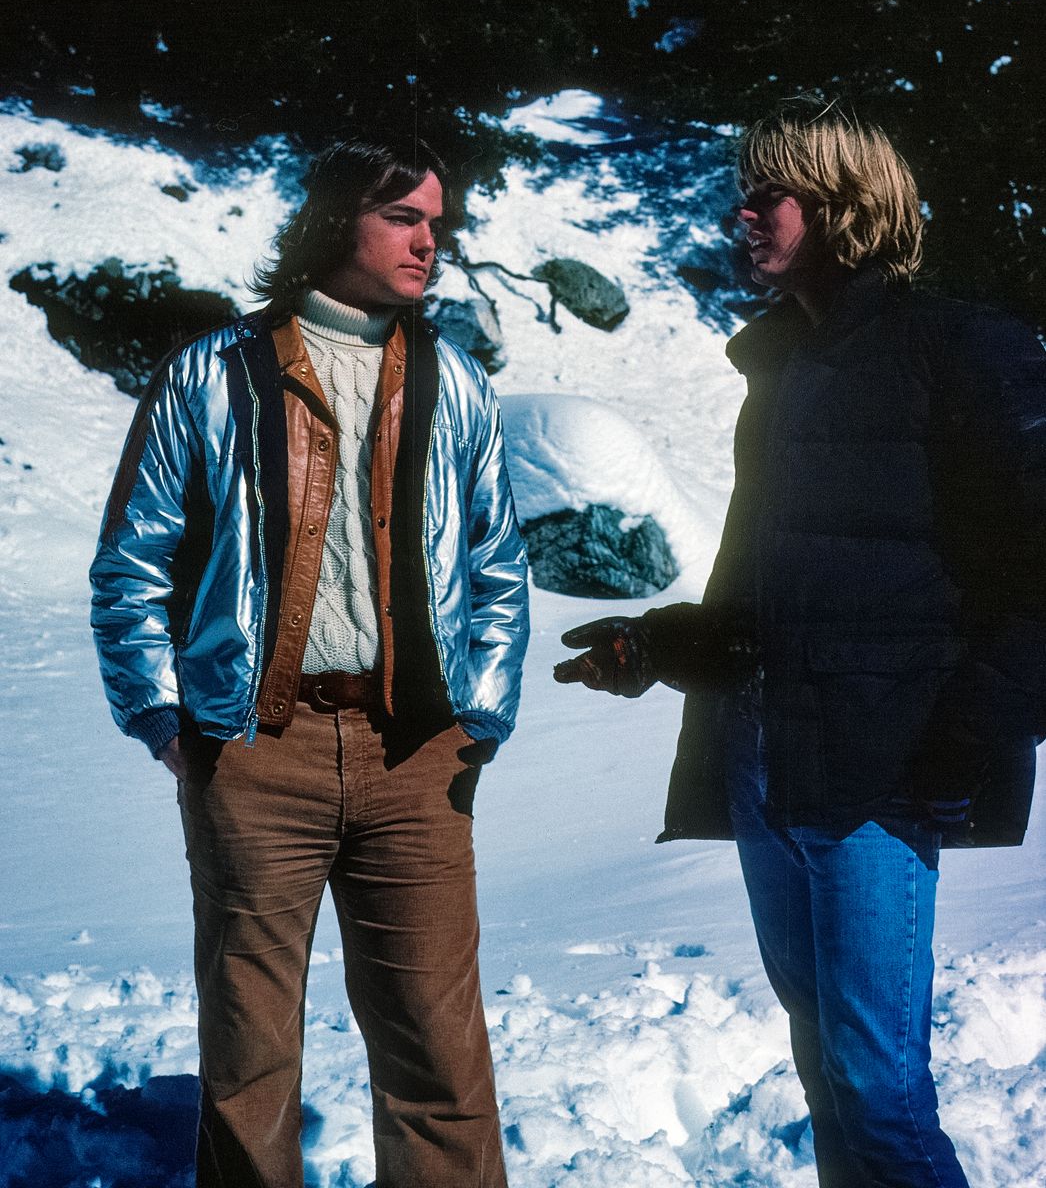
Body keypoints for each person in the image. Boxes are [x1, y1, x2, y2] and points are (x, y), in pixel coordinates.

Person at [556, 102, 1045, 1188]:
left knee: (879, 1092)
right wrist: (657, 645)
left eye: (767, 194)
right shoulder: (779, 364)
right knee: (824, 1070)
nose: (742, 215)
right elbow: (773, 587)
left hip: (879, 775)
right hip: (765, 759)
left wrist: (963, 736)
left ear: (841, 205)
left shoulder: (958, 348)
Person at [91, 133, 529, 1188]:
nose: (429, 242)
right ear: (338, 220)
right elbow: (131, 562)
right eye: (403, 218)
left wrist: (478, 717)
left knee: (439, 1055)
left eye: (436, 222)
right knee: (249, 1063)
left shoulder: (454, 378)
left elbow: (498, 564)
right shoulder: (211, 373)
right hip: (252, 753)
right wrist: (164, 719)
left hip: (415, 756)